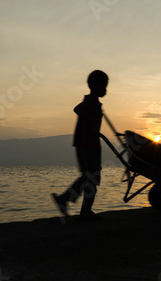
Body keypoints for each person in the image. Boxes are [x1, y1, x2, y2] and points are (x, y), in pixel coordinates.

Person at [52, 70, 108, 220]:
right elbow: (78, 109)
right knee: (92, 177)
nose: (106, 90)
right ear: (96, 86)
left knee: (87, 177)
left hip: (83, 144)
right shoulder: (92, 102)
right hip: (89, 144)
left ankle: (68, 201)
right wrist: (92, 122)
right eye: (104, 86)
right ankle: (81, 209)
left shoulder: (94, 102)